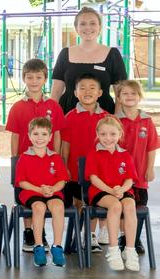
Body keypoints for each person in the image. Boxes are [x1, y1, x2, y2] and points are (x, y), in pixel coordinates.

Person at [6, 59, 66, 252]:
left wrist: (55, 156)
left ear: (45, 79)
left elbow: (57, 134)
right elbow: (15, 136)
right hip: (26, 161)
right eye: (29, 77)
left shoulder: (54, 106)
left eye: (38, 77)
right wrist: (15, 159)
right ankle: (29, 233)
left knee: (48, 200)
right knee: (30, 199)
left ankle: (42, 236)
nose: (34, 81)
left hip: (47, 161)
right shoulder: (17, 107)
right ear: (24, 78)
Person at [61, 73, 109, 253]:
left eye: (92, 88)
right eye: (82, 88)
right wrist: (64, 165)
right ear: (75, 92)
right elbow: (65, 145)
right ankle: (78, 233)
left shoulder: (106, 117)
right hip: (74, 170)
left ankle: (91, 235)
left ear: (100, 93)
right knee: (79, 203)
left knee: (94, 203)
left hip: (98, 173)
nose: (87, 91)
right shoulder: (70, 117)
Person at [85, 116, 139, 271]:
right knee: (115, 206)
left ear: (120, 134)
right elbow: (94, 179)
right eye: (103, 134)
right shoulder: (93, 154)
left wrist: (122, 189)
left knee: (130, 204)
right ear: (97, 134)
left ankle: (130, 250)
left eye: (112, 134)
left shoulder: (125, 155)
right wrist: (111, 191)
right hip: (101, 191)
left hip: (121, 191)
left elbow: (129, 179)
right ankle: (114, 250)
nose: (108, 138)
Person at [51, 6, 127, 114]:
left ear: (99, 27)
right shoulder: (65, 54)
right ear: (76, 28)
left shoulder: (113, 54)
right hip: (68, 115)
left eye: (92, 23)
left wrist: (118, 119)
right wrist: (52, 118)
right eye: (83, 24)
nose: (88, 27)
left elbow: (121, 93)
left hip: (104, 120)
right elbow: (56, 92)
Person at [15, 117, 68, 267]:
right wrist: (39, 189)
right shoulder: (24, 158)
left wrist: (52, 189)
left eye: (44, 134)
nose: (40, 138)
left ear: (50, 137)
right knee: (39, 207)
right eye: (36, 134)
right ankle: (38, 246)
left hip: (52, 192)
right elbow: (22, 182)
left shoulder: (55, 158)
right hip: (31, 193)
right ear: (29, 135)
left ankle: (57, 247)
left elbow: (61, 180)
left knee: (58, 206)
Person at [114, 80, 157, 254]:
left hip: (139, 174)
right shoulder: (115, 120)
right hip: (119, 176)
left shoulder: (147, 121)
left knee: (139, 206)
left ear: (139, 96)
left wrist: (150, 168)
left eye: (133, 93)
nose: (129, 96)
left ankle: (136, 239)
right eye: (125, 93)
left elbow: (152, 147)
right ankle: (124, 237)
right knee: (123, 208)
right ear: (119, 97)